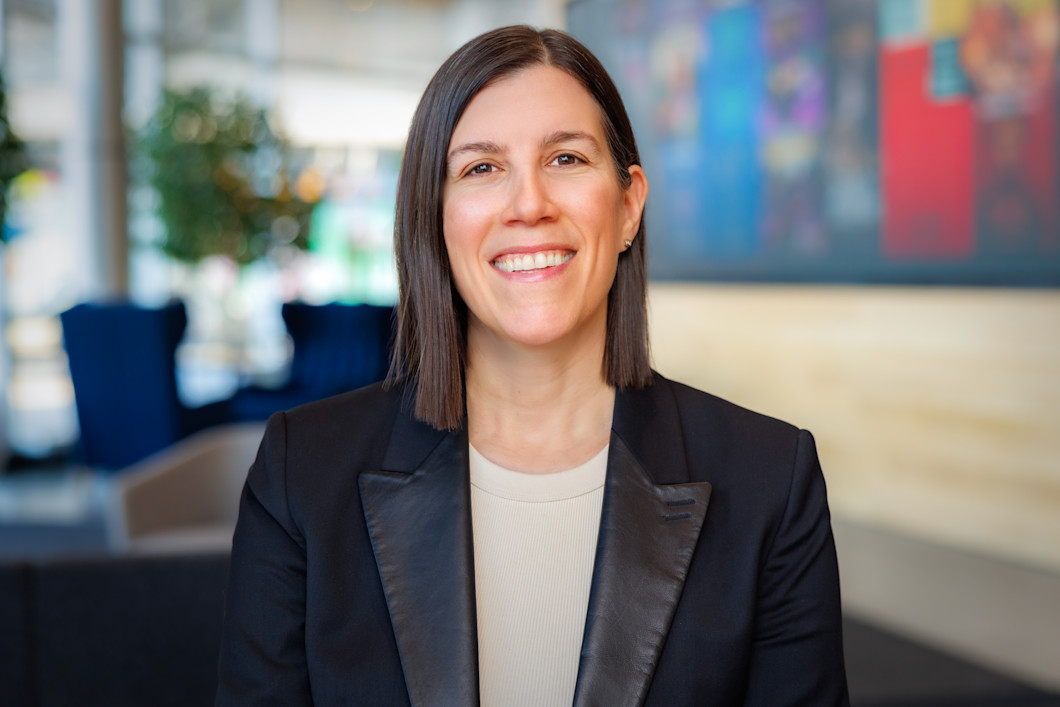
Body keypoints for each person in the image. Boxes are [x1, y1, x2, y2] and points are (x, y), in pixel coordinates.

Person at [216, 25, 848, 707]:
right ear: (434, 217)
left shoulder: (769, 481)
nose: (529, 205)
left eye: (567, 159)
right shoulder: (301, 473)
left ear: (629, 204)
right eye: (482, 168)